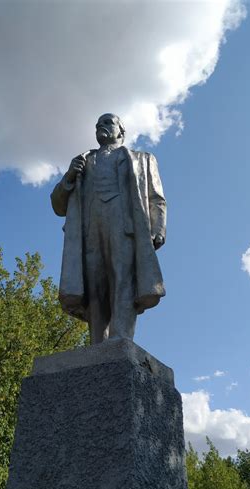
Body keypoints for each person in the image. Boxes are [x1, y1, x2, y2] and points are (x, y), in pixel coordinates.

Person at [50, 113, 167, 344]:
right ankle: (97, 342)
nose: (99, 127)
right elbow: (58, 205)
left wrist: (159, 228)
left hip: (125, 225)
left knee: (123, 277)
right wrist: (69, 176)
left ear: (121, 131)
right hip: (90, 227)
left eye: (107, 122)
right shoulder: (82, 161)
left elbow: (156, 198)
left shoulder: (142, 159)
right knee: (95, 284)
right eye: (97, 125)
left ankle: (120, 338)